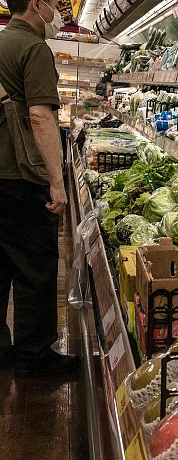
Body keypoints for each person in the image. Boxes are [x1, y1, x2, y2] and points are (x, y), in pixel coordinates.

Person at [0, 0, 80, 378]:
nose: (57, 11)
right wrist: (56, 181)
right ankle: (33, 356)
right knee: (34, 268)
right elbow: (40, 115)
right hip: (22, 176)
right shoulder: (33, 49)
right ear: (36, 4)